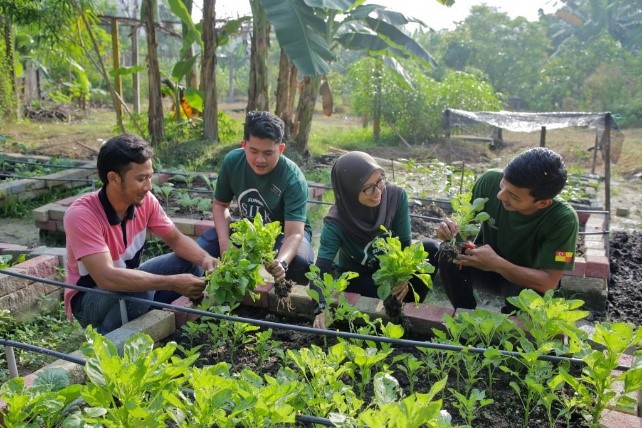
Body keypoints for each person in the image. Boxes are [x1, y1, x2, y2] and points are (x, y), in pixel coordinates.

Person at [63, 134, 217, 334]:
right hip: (90, 299)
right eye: (141, 179)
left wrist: (205, 259)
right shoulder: (82, 215)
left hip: (126, 285)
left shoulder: (145, 201)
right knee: (142, 290)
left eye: (150, 177)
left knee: (188, 264)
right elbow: (106, 278)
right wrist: (172, 282)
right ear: (113, 178)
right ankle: (106, 338)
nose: (148, 186)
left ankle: (146, 320)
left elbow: (176, 239)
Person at [434, 147, 579, 312]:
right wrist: (449, 232)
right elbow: (461, 230)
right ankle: (464, 316)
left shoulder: (564, 220)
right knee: (447, 251)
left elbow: (548, 282)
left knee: (528, 298)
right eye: (503, 185)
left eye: (514, 196)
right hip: (484, 266)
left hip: (524, 281)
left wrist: (498, 264)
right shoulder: (489, 181)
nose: (501, 196)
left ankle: (513, 329)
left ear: (542, 203)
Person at [311, 151, 439, 329]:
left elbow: (404, 244)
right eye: (369, 187)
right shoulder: (337, 221)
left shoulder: (395, 197)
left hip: (392, 274)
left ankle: (406, 309)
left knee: (432, 248)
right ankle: (393, 312)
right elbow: (321, 269)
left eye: (380, 180)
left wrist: (404, 277)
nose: (378, 191)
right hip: (361, 278)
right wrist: (320, 307)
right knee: (378, 291)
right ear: (349, 191)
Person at [197, 111, 314, 284]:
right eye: (253, 151)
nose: (260, 159)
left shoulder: (293, 178)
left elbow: (294, 233)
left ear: (280, 149)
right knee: (200, 250)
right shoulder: (233, 162)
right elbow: (221, 205)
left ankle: (285, 303)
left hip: (284, 234)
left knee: (299, 263)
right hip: (248, 230)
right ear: (244, 145)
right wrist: (225, 245)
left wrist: (282, 262)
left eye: (268, 153)